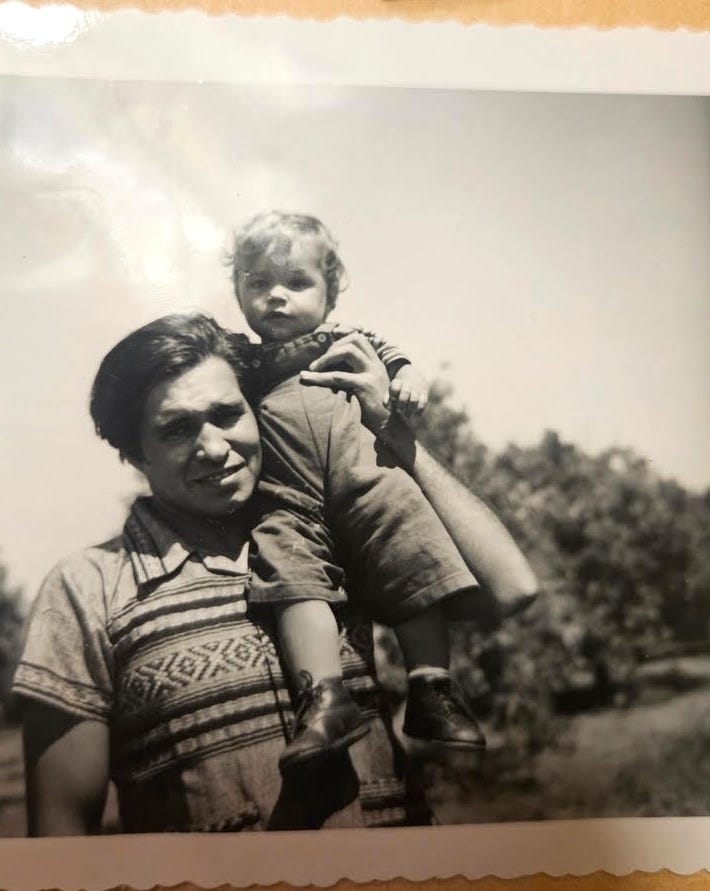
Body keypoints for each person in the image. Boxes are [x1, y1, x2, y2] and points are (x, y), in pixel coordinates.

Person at [13, 315, 428, 835]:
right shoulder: (85, 589)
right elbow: (61, 836)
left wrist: (393, 433)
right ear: (132, 452)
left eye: (227, 415)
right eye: (177, 429)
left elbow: (510, 588)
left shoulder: (337, 540)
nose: (212, 447)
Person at [228, 210, 538, 769]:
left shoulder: (351, 340)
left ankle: (431, 687)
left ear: (330, 294)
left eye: (296, 282)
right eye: (258, 283)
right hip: (290, 498)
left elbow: (401, 367)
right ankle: (323, 699)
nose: (276, 296)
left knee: (411, 549)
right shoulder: (241, 361)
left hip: (367, 472)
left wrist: (410, 381)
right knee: (291, 576)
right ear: (238, 291)